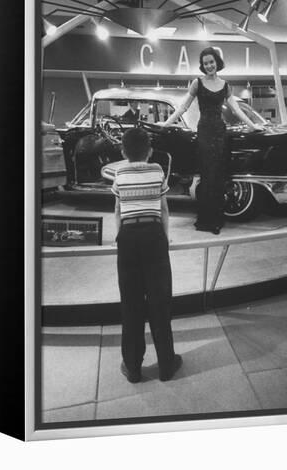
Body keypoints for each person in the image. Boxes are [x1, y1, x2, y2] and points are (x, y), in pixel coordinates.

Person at [160, 47, 264, 234]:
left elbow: (236, 110)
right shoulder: (197, 83)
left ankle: (217, 219)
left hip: (219, 132)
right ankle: (205, 220)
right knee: (207, 176)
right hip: (205, 132)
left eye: (211, 62)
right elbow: (183, 107)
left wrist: (252, 125)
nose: (209, 65)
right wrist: (165, 124)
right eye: (205, 63)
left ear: (217, 62)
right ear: (203, 65)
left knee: (218, 177)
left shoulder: (225, 85)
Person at [112, 127, 182, 383]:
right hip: (153, 234)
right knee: (159, 301)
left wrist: (119, 238)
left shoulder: (119, 173)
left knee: (131, 303)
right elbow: (163, 209)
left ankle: (132, 367)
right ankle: (166, 365)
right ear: (150, 151)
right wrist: (164, 237)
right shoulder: (157, 171)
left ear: (123, 151)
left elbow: (118, 210)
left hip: (128, 237)